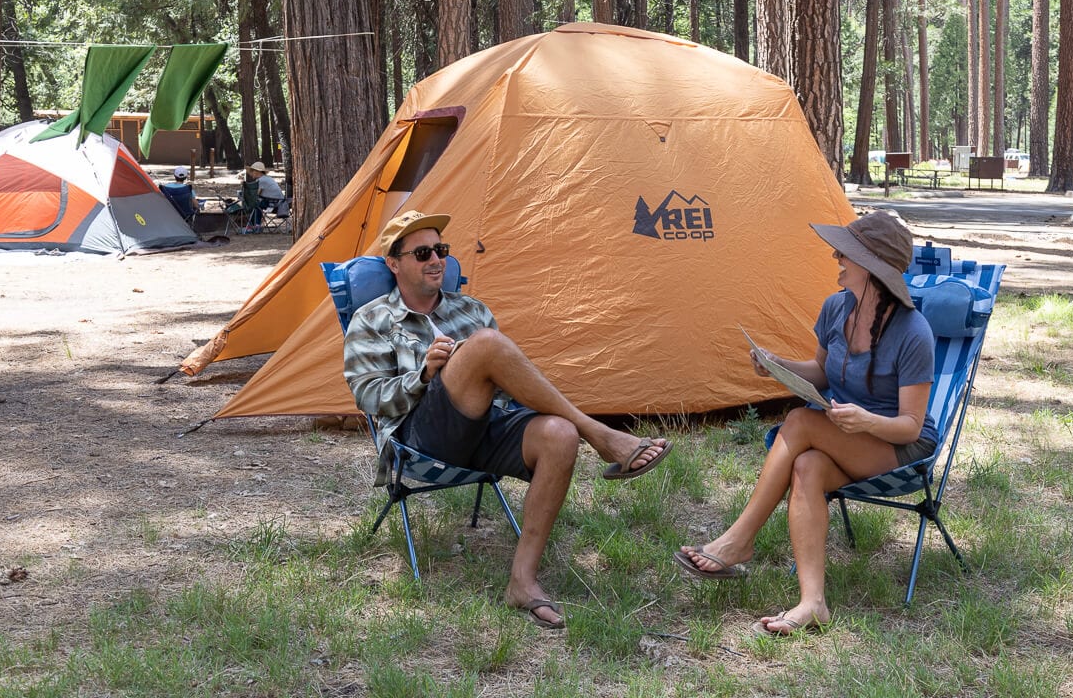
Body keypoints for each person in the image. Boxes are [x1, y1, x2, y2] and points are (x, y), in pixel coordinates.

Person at [343, 210, 674, 630]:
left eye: (441, 250)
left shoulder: (471, 309)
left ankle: (523, 580)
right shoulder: (371, 319)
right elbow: (368, 395)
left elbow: (507, 386)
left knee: (558, 433)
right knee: (484, 345)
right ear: (394, 263)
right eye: (422, 252)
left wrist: (475, 367)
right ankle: (602, 434)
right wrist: (423, 374)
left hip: (484, 427)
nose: (436, 260)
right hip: (422, 441)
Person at [675, 210, 935, 636]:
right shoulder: (835, 309)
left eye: (846, 253)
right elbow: (820, 372)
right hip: (845, 434)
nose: (836, 256)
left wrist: (867, 419)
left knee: (798, 421)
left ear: (870, 266)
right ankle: (813, 603)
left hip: (895, 447)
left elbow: (910, 425)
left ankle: (739, 540)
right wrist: (778, 365)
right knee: (807, 467)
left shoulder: (913, 332)